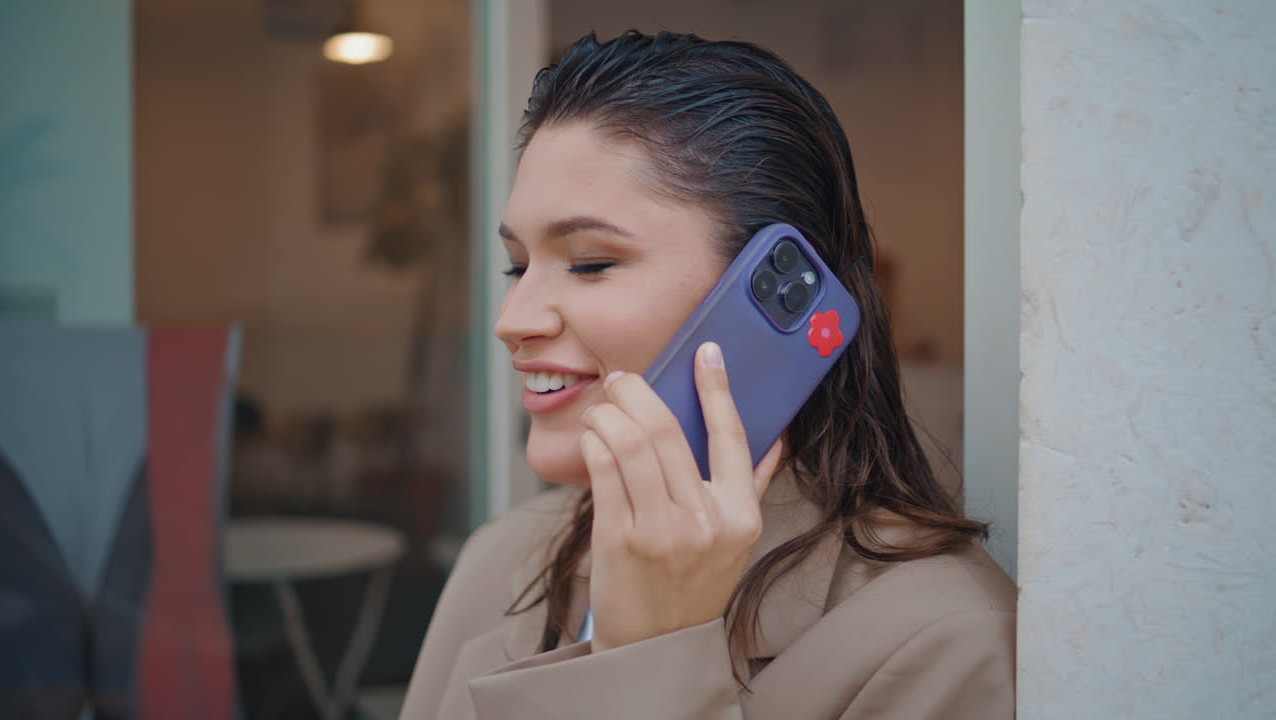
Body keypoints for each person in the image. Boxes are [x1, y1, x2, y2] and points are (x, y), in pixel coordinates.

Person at [400, 30, 1015, 719]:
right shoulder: (502, 557)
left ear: (764, 297)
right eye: (519, 266)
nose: (512, 319)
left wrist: (650, 658)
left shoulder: (946, 641)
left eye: (590, 263)